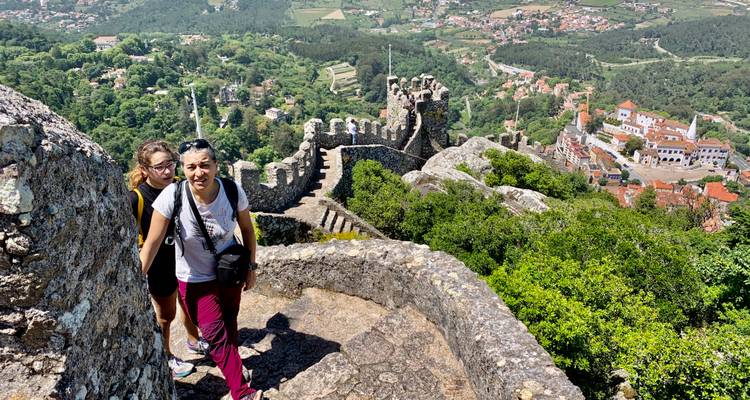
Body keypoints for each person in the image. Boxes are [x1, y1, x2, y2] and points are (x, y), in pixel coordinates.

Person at [139, 138, 262, 400]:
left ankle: (234, 368)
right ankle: (242, 391)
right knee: (215, 335)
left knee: (229, 325)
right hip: (194, 279)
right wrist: (135, 279)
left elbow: (248, 230)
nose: (198, 173)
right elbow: (151, 243)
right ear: (183, 169)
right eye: (191, 167)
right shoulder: (172, 196)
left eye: (205, 165)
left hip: (230, 272)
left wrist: (251, 267)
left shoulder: (232, 190)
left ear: (216, 166)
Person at [128, 140, 210, 379]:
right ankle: (166, 357)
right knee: (166, 315)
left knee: (189, 303)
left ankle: (194, 339)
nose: (167, 171)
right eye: (159, 167)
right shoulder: (136, 199)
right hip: (158, 264)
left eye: (171, 164)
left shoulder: (181, 186)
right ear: (144, 170)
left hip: (185, 257)